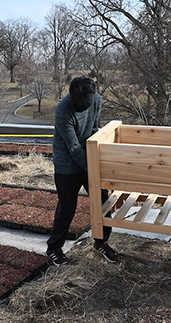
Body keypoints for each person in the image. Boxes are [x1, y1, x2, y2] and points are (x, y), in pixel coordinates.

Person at [46, 76, 119, 265]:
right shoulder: (63, 111)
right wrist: (93, 169)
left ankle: (101, 242)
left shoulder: (96, 100)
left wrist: (99, 161)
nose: (83, 108)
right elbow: (73, 148)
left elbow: (95, 129)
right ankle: (54, 247)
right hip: (66, 163)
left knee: (102, 200)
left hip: (88, 154)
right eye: (79, 105)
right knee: (67, 207)